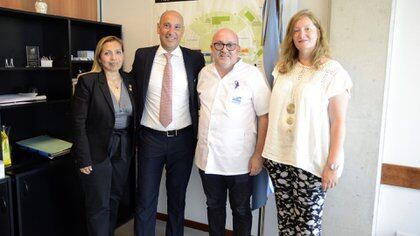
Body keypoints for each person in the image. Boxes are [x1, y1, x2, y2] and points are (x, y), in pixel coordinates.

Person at [262, 9, 353, 235]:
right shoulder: (283, 68)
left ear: (318, 33)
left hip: (310, 162)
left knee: (307, 229)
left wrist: (332, 165)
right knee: (285, 225)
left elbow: (338, 121)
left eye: (307, 29)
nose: (301, 34)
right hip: (279, 158)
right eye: (296, 31)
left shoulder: (332, 71)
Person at [131, 10, 205, 236]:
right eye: (166, 26)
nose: (171, 32)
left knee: (177, 199)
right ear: (158, 28)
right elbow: (129, 86)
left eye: (176, 27)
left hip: (182, 140)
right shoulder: (143, 56)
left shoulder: (194, 58)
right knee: (145, 199)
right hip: (149, 139)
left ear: (182, 31)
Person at [195, 28, 271, 236]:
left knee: (241, 210)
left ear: (239, 49)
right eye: (218, 44)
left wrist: (258, 155)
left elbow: (264, 116)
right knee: (214, 207)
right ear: (211, 48)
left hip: (241, 161)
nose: (224, 50)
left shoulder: (252, 75)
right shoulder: (204, 73)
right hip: (209, 160)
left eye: (230, 45)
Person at [72, 36, 136, 236]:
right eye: (107, 53)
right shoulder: (88, 81)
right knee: (98, 204)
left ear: (123, 55)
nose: (113, 57)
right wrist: (83, 158)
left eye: (118, 52)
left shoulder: (129, 80)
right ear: (100, 57)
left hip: (123, 148)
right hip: (96, 150)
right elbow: (78, 122)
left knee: (114, 198)